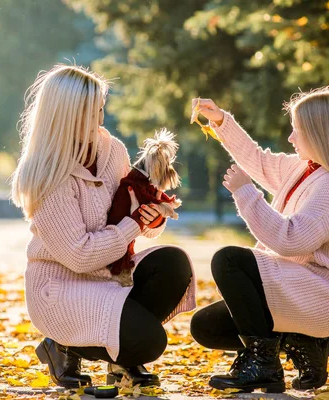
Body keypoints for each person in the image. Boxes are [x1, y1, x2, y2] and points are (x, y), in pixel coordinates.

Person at [10, 65, 196, 389]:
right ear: (71, 116)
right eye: (94, 112)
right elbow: (80, 256)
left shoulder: (114, 151)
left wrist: (152, 216)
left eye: (101, 109)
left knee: (173, 265)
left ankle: (120, 360)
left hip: (109, 277)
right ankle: (63, 345)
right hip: (62, 288)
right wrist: (134, 224)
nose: (101, 120)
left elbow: (132, 221)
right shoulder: (46, 175)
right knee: (150, 341)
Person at [189, 85, 329, 393]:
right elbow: (258, 160)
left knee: (230, 261)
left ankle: (263, 364)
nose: (291, 138)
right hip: (296, 288)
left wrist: (245, 192)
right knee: (206, 326)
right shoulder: (303, 169)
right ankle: (305, 343)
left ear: (320, 134)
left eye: (297, 131)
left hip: (319, 296)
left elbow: (291, 239)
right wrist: (221, 121)